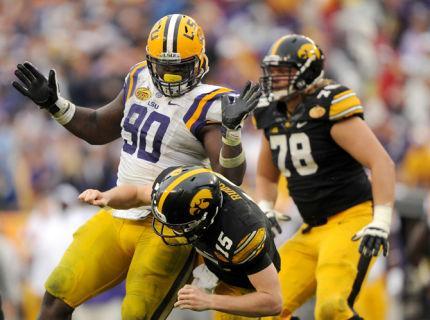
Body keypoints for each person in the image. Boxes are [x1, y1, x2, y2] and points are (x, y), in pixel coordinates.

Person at [12, 14, 261, 320]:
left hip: (168, 229)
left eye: (179, 67)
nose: (170, 76)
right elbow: (98, 128)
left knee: (136, 315)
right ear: (149, 59)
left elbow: (229, 180)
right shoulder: (139, 78)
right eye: (164, 66)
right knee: (57, 293)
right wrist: (54, 104)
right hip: (118, 214)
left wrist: (232, 133)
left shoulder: (210, 103)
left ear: (200, 62)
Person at [254, 34, 395, 320]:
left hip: (350, 220)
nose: (276, 78)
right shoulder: (271, 112)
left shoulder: (328, 104)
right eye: (274, 71)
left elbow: (381, 162)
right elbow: (266, 174)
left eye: (285, 71)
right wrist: (266, 207)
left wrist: (380, 221)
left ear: (308, 72)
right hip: (310, 228)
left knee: (331, 308)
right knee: (265, 309)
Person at [79, 165, 282, 318]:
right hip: (214, 263)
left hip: (244, 286)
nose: (170, 229)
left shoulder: (242, 233)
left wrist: (210, 301)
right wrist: (106, 196)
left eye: (180, 224)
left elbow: (273, 301)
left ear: (203, 218)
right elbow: (137, 194)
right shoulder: (183, 190)